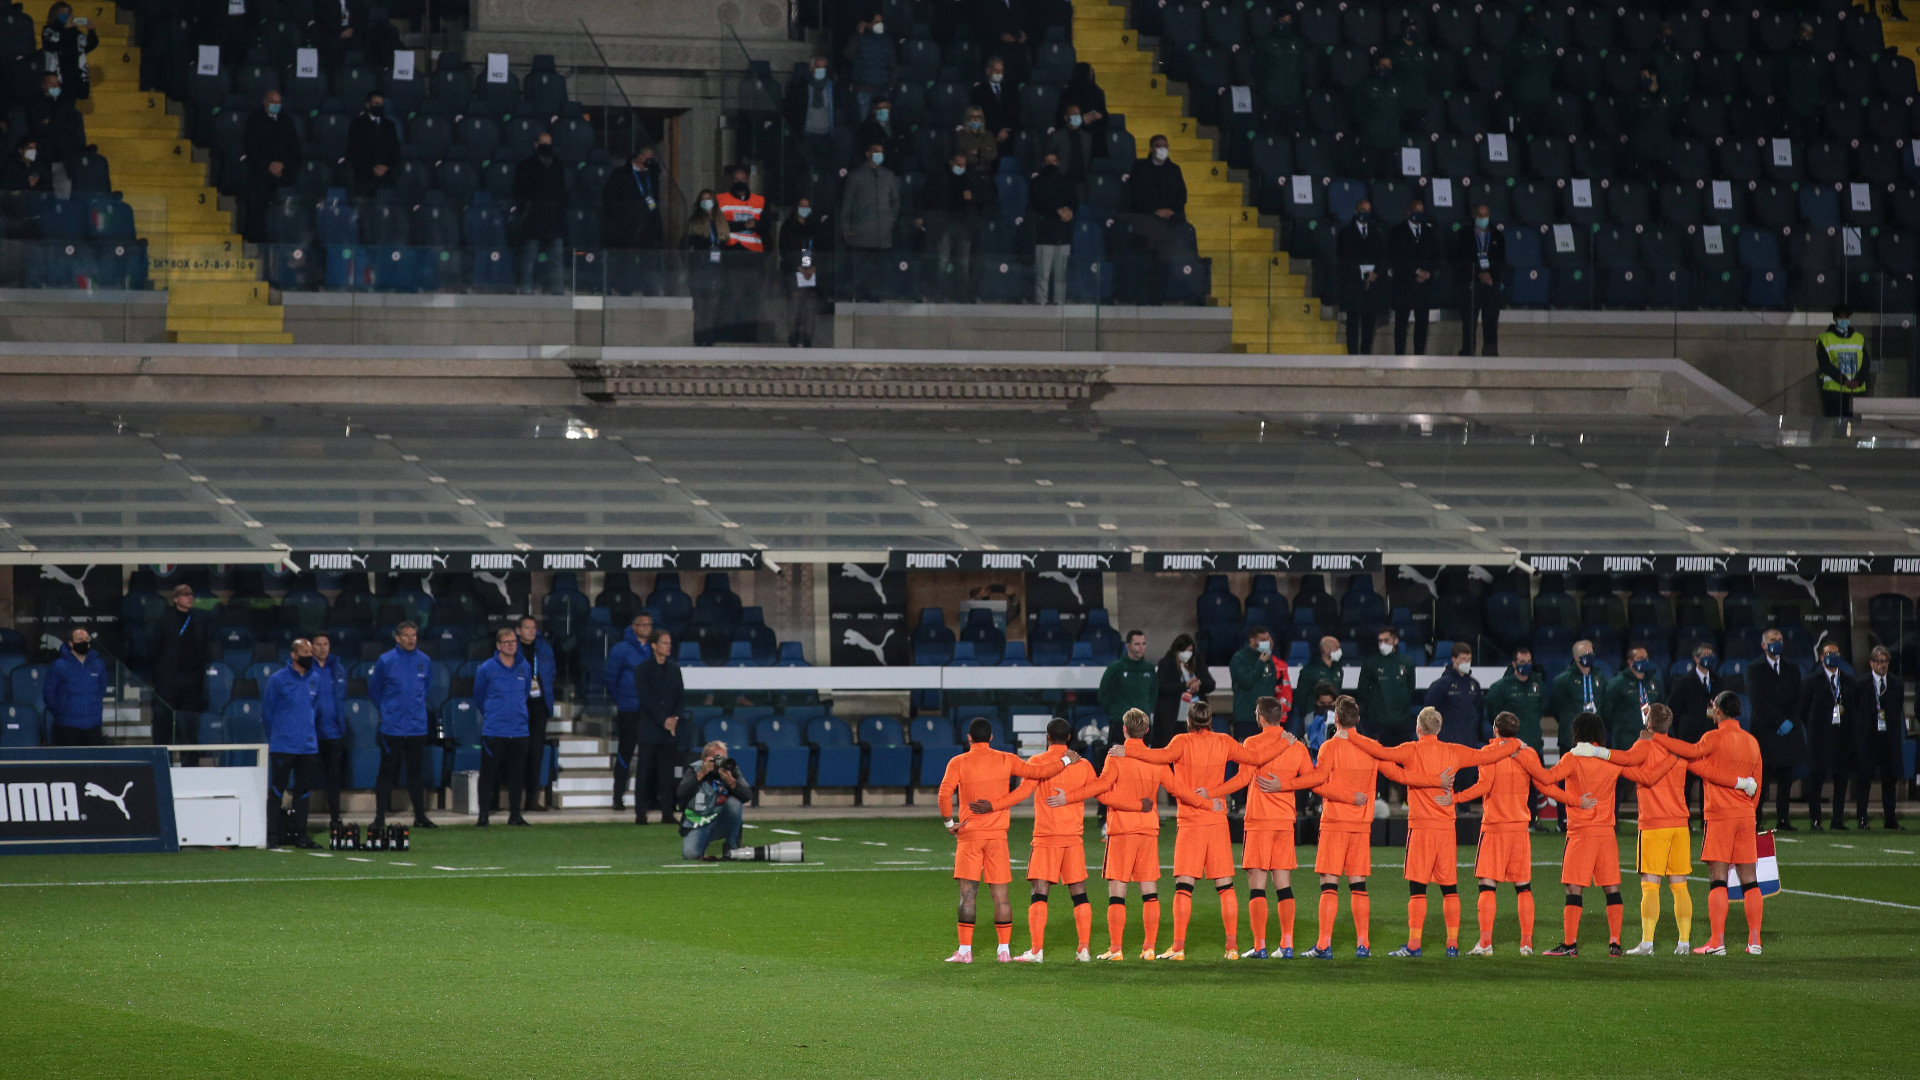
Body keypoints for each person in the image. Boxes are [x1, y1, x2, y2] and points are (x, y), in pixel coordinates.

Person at [1272, 696, 1456, 959]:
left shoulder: (1329, 748)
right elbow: (1400, 776)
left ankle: (1324, 945)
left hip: (1335, 823)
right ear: (1358, 720)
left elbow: (1317, 782)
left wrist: (1285, 784)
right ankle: (1363, 944)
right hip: (1361, 825)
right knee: (1358, 884)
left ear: (1336, 719)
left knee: (1329, 883)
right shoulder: (1371, 747)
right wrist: (1435, 780)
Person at [1110, 701, 1287, 960]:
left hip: (1190, 821)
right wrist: (1285, 742)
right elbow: (1255, 762)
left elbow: (1159, 757)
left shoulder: (1181, 742)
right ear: (1210, 720)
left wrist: (1129, 752)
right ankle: (1232, 947)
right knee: (1225, 887)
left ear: (1189, 721)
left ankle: (1178, 948)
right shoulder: (1224, 741)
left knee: (1184, 887)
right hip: (1216, 819)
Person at [1345, 707, 1523, 957]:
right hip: (1446, 831)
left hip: (1420, 829)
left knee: (1418, 890)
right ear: (1439, 729)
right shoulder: (1454, 751)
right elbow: (1489, 757)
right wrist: (1514, 741)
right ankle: (1452, 944)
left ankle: (1414, 945)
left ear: (1418, 728)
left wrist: (1351, 735)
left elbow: (1382, 753)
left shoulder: (1410, 750)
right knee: (1449, 889)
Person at [1053, 708, 1211, 960]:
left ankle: (1116, 949)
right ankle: (1149, 948)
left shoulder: (1116, 757)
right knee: (1150, 892)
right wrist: (1208, 803)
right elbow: (1178, 789)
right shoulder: (1155, 759)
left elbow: (1101, 791)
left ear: (1124, 729)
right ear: (1146, 731)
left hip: (1122, 830)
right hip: (1148, 830)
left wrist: (1067, 797)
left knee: (1118, 892)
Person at [1518, 712, 1665, 956]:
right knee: (1612, 889)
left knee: (1573, 890)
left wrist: (1524, 757)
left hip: (1580, 834)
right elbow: (1647, 777)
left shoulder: (1572, 758)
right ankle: (1615, 943)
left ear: (1577, 734)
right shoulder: (1611, 759)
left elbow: (1544, 781)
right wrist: (1670, 756)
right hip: (1606, 834)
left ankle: (1570, 944)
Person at [938, 716, 1073, 963]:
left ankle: (965, 951)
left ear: (969, 738)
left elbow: (944, 794)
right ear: (991, 737)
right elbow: (1039, 772)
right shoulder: (1005, 759)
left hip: (969, 836)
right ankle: (1004, 951)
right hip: (998, 837)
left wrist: (949, 823)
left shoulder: (958, 762)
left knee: (967, 896)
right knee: (1001, 897)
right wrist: (1066, 759)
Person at [1642, 693, 1766, 954]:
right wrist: (1749, 813)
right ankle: (1754, 940)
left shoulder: (1713, 737)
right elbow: (1758, 782)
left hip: (1720, 815)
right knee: (1750, 881)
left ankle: (1717, 942)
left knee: (1718, 880)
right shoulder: (1752, 742)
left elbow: (1690, 753)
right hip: (1745, 815)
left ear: (1718, 711)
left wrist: (1657, 736)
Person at [1214, 695, 1318, 957]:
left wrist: (1215, 793)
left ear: (1260, 718)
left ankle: (1260, 945)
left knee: (1257, 885)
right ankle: (1287, 944)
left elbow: (1243, 777)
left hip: (1259, 821)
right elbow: (1312, 780)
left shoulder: (1252, 743)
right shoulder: (1296, 745)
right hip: (1285, 821)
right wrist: (1285, 786)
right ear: (1281, 717)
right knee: (1283, 883)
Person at [988, 717, 1098, 962]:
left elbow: (1022, 793)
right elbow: (1099, 789)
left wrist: (994, 806)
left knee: (1039, 892)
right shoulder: (1083, 765)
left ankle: (1036, 950)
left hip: (1046, 836)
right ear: (1069, 737)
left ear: (1047, 737)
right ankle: (1084, 949)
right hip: (1073, 837)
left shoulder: (1037, 762)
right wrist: (1071, 797)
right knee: (1079, 892)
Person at [1448, 710, 1550, 955]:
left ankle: (1485, 944)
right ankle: (1526, 943)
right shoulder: (1528, 753)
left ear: (1495, 729)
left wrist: (1455, 798)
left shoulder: (1489, 753)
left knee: (1487, 885)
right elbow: (1543, 782)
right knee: (1523, 887)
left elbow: (1484, 786)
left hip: (1494, 827)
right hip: (1519, 828)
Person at [1621, 704, 1694, 956]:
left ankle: (1647, 943)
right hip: (1680, 825)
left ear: (1649, 724)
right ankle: (1684, 943)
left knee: (1650, 885)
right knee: (1680, 885)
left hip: (1654, 825)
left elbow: (1627, 765)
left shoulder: (1644, 746)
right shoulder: (1678, 750)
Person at [368, 621, 434, 830]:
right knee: (386, 771)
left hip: (417, 727)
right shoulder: (386, 661)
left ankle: (420, 816)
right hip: (392, 727)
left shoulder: (424, 660)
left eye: (414, 635)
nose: (411, 639)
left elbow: (426, 687)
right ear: (397, 638)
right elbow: (375, 690)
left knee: (416, 772)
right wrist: (387, 713)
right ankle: (379, 817)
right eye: (406, 635)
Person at [262, 640, 323, 849]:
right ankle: (272, 835)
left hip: (307, 746)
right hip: (283, 745)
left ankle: (301, 835)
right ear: (293, 655)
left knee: (303, 791)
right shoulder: (278, 680)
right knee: (277, 790)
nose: (309, 655)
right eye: (304, 652)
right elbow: (267, 713)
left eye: (311, 652)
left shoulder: (315, 679)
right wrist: (277, 737)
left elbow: (313, 710)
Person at [472, 628, 531, 828]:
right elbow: (478, 697)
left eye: (513, 641)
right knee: (488, 774)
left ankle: (515, 815)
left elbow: (525, 694)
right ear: (498, 645)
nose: (510, 645)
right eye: (505, 642)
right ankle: (483, 815)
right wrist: (493, 713)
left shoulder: (525, 667)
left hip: (519, 730)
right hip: (494, 730)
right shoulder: (486, 668)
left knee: (517, 775)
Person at [916, 150, 995, 301]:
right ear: (951, 162)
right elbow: (923, 195)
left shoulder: (971, 178)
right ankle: (939, 294)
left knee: (963, 264)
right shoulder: (939, 177)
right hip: (943, 225)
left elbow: (987, 197)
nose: (961, 166)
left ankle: (962, 295)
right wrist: (920, 215)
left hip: (965, 226)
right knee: (942, 261)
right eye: (958, 163)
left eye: (963, 164)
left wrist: (973, 197)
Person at [1747, 628, 1805, 832]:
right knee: (1760, 780)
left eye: (1780, 639)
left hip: (1788, 733)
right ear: (1763, 645)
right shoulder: (1754, 668)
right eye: (1773, 640)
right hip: (1766, 732)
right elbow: (1757, 700)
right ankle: (1755, 819)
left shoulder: (1793, 668)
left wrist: (1790, 721)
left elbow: (1799, 698)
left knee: (1786, 780)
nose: (1777, 643)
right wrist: (1779, 721)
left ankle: (1783, 819)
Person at [1799, 641, 1854, 831]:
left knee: (1841, 780)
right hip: (1819, 738)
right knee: (1817, 781)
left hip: (1842, 738)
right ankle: (1816, 819)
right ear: (1821, 657)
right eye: (1829, 653)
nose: (1833, 656)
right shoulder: (1811, 681)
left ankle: (1837, 819)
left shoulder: (1848, 680)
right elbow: (1804, 710)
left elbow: (1853, 709)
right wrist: (1813, 729)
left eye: (1836, 653)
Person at [632, 629, 685, 823]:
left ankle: (667, 812)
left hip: (669, 731)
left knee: (666, 774)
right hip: (650, 729)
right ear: (654, 645)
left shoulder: (674, 669)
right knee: (644, 772)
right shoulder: (642, 670)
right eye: (664, 643)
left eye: (669, 643)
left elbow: (680, 697)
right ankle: (640, 812)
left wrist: (675, 718)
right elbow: (645, 699)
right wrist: (664, 720)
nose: (668, 646)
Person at [604, 611, 655, 813]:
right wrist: (623, 700)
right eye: (642, 624)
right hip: (629, 710)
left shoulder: (654, 649)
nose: (646, 628)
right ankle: (618, 797)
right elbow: (611, 678)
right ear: (634, 627)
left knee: (648, 754)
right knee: (625, 752)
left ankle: (646, 798)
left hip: (650, 711)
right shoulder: (621, 649)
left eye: (649, 624)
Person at [148, 584, 211, 744]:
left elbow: (204, 648)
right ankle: (163, 758)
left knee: (189, 726)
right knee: (164, 723)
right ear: (176, 599)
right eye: (185, 594)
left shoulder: (200, 619)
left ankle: (189, 762)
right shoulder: (164, 620)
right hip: (168, 682)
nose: (190, 597)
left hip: (192, 681)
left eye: (191, 594)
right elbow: (154, 650)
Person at [1851, 646, 1904, 831]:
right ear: (1871, 663)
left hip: (1888, 739)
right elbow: (1856, 710)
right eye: (1880, 662)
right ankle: (1862, 819)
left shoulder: (1896, 684)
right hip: (1868, 739)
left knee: (1890, 780)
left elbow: (1897, 709)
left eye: (1886, 662)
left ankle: (1890, 820)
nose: (1883, 665)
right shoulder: (1861, 683)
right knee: (1864, 780)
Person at [838, 143, 899, 301]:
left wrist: (890, 220)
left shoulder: (888, 175)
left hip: (882, 234)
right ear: (867, 153)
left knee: (878, 271)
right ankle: (858, 298)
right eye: (875, 151)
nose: (879, 154)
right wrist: (845, 226)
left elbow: (895, 201)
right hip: (861, 233)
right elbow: (847, 203)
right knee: (859, 270)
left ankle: (875, 299)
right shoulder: (856, 175)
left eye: (881, 152)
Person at [240, 88, 301, 242]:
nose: (277, 105)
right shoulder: (254, 120)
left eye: (279, 102)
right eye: (273, 102)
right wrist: (268, 164)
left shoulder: (286, 121)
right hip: (261, 173)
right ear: (265, 102)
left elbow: (294, 148)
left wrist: (282, 165)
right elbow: (251, 147)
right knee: (259, 203)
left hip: (282, 172)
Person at [512, 131, 569, 294]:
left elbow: (561, 192)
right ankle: (525, 289)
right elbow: (518, 192)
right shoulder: (526, 166)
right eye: (543, 143)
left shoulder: (558, 166)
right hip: (533, 220)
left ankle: (556, 290)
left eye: (549, 143)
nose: (547, 147)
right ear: (536, 145)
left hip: (554, 220)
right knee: (529, 258)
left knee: (556, 259)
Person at [678, 740, 754, 859]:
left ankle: (731, 846)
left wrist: (731, 782)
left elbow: (747, 796)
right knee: (690, 854)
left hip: (720, 821)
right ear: (705, 758)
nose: (721, 762)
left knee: (734, 803)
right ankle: (703, 844)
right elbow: (681, 794)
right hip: (698, 823)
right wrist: (701, 773)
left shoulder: (730, 770)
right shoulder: (695, 769)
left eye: (723, 758)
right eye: (717, 758)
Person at [1126, 134, 1186, 275]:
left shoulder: (1174, 170)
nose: (1163, 149)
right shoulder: (1140, 167)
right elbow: (1136, 194)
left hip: (1169, 220)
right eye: (1159, 146)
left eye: (1165, 146)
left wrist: (1170, 210)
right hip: (1147, 219)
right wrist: (1154, 211)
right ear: (1152, 149)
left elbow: (1181, 194)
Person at [1389, 197, 1442, 354]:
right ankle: (1399, 356)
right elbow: (1397, 257)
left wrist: (1428, 272)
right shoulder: (1397, 232)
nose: (1418, 214)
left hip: (1424, 286)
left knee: (1422, 323)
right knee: (1401, 323)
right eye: (1415, 211)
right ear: (1408, 212)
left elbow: (1437, 256)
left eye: (1421, 211)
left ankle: (1419, 355)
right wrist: (1416, 271)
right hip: (1404, 284)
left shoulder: (1430, 232)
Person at [515, 615, 555, 810]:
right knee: (518, 752)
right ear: (518, 630)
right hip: (519, 706)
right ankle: (513, 799)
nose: (531, 631)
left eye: (533, 627)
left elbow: (551, 673)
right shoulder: (512, 648)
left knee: (536, 753)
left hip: (539, 705)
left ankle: (532, 798)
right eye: (527, 627)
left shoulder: (544, 647)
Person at [786, 55, 851, 173]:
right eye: (818, 66)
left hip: (826, 136)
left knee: (824, 170)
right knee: (805, 170)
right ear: (811, 69)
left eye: (824, 67)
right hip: (807, 136)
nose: (821, 69)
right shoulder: (801, 88)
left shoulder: (832, 89)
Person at [1453, 204, 1504, 356]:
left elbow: (1501, 260)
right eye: (1480, 215)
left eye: (1486, 215)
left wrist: (1491, 275)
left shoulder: (1497, 235)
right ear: (1475, 216)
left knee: (1491, 319)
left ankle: (1490, 350)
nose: (1483, 219)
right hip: (1471, 283)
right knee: (1469, 320)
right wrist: (1478, 275)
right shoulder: (1465, 234)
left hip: (1490, 284)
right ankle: (1468, 350)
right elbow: (1461, 258)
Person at [1248, 9, 1307, 135]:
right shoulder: (1266, 43)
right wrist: (1266, 86)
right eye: (1282, 20)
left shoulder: (1298, 43)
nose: (1285, 23)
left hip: (1292, 97)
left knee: (1289, 136)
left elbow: (1303, 68)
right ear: (1275, 22)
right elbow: (1256, 68)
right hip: (1271, 98)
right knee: (1270, 134)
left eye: (1288, 20)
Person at [683, 190, 730, 346]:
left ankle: (709, 337)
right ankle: (699, 337)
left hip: (716, 269)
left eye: (709, 199)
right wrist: (691, 262)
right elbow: (684, 246)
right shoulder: (694, 222)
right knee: (700, 305)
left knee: (713, 305)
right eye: (703, 199)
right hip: (699, 268)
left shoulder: (720, 222)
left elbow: (725, 246)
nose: (706, 202)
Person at [310, 631, 348, 827]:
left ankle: (335, 817)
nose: (323, 647)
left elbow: (341, 701)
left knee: (334, 778)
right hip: (311, 734)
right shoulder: (306, 669)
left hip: (333, 733)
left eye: (326, 644)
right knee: (305, 776)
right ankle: (301, 819)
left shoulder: (339, 669)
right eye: (318, 644)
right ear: (312, 647)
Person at [44, 627, 105, 745]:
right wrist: (62, 712)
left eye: (87, 639)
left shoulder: (98, 664)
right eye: (80, 639)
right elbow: (49, 695)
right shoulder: (58, 666)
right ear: (71, 644)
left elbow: (101, 690)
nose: (84, 642)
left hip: (93, 726)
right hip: (67, 726)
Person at [1151, 633, 1213, 748]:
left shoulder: (1197, 663)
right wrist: (1184, 685)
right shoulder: (1166, 663)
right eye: (1184, 650)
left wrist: (1200, 684)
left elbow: (1211, 684)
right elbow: (1163, 688)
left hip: (1195, 719)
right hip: (1174, 717)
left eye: (1190, 650)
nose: (1187, 654)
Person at [602, 146, 666, 257]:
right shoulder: (621, 174)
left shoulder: (652, 174)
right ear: (640, 157)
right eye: (649, 156)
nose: (652, 159)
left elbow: (654, 198)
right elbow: (609, 198)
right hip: (626, 227)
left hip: (648, 226)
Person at [1097, 629, 1158, 745]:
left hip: (1143, 725)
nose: (1141, 647)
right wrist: (1116, 712)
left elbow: (1154, 693)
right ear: (1128, 646)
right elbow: (1103, 694)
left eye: (1143, 644)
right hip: (1120, 724)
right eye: (1137, 644)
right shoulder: (1115, 668)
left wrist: (1146, 710)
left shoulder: (1149, 669)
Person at [1029, 150, 1074, 305]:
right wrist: (1057, 210)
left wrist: (1070, 211)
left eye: (1053, 161)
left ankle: (1059, 303)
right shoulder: (1037, 182)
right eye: (1048, 162)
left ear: (1058, 163)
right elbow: (1038, 202)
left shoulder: (1066, 181)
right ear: (1043, 164)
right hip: (1045, 234)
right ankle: (1041, 302)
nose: (1051, 165)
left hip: (1063, 234)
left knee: (1061, 276)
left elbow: (1074, 199)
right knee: (1043, 274)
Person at [1547, 641, 1604, 762]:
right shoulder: (1563, 680)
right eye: (1584, 653)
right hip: (1570, 738)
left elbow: (1604, 704)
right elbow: (1556, 707)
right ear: (1575, 657)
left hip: (1595, 739)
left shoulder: (1599, 677)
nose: (1588, 655)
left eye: (1590, 653)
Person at [1358, 625, 1415, 744]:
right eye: (1380, 641)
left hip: (1402, 720)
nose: (1382, 644)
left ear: (1396, 641)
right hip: (1379, 722)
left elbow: (1410, 687)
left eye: (1386, 640)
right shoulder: (1371, 662)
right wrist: (1373, 709)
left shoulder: (1407, 661)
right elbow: (1362, 690)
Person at [1230, 625, 1288, 740]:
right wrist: (1260, 663)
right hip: (1246, 717)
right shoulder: (1239, 659)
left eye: (1267, 639)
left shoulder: (1268, 659)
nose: (1266, 642)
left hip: (1267, 720)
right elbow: (1246, 682)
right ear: (1252, 640)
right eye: (1263, 640)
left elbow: (1272, 684)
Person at [1482, 647, 1543, 753]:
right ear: (1514, 664)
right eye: (1522, 662)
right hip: (1510, 747)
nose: (1526, 665)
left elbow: (1541, 709)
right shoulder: (1500, 687)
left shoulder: (1538, 684)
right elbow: (1492, 714)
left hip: (1534, 746)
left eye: (1529, 662)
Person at [780, 197, 823, 347]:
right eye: (801, 205)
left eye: (807, 206)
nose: (804, 208)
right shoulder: (788, 226)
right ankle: (794, 336)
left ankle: (807, 338)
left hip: (812, 272)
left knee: (809, 306)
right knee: (795, 305)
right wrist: (799, 267)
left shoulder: (815, 227)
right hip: (794, 271)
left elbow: (823, 250)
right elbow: (784, 250)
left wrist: (814, 267)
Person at [1603, 646, 1664, 751]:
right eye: (1640, 658)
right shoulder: (1617, 684)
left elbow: (1662, 707)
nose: (1644, 661)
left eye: (1646, 658)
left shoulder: (1655, 683)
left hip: (1651, 741)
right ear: (1630, 662)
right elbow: (1606, 712)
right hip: (1625, 742)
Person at [1348, 57, 1400, 179]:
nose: (1386, 68)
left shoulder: (1398, 85)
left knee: (1388, 178)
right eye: (1383, 65)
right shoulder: (1366, 85)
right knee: (1368, 175)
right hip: (1371, 139)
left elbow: (1401, 108)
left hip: (1390, 140)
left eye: (1389, 65)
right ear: (1376, 67)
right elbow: (1358, 110)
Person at [1422, 642, 1483, 744]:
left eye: (1469, 659)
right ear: (1454, 659)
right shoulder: (1441, 684)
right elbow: (1429, 712)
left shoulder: (1474, 684)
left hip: (1469, 741)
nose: (1467, 662)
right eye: (1463, 659)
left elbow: (1478, 710)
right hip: (1448, 740)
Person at [1816, 304, 1868, 419]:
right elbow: (1825, 364)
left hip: (1855, 390)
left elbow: (1865, 363)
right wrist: (1844, 381)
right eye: (1841, 317)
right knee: (1834, 424)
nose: (1844, 320)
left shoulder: (1859, 338)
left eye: (1847, 317)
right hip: (1834, 391)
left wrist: (1858, 380)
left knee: (1852, 427)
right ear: (1835, 319)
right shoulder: (1825, 338)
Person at [1623, 66, 1673, 185]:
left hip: (1661, 151)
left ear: (1654, 76)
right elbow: (1629, 120)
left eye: (1645, 76)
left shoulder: (1666, 97)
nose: (1643, 79)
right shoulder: (1636, 98)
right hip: (1643, 151)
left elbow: (1671, 119)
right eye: (1642, 77)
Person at [26, 72, 84, 173]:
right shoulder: (35, 104)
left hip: (64, 158)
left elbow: (72, 125)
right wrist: (59, 123)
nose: (55, 86)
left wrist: (51, 121)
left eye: (57, 84)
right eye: (51, 84)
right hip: (44, 157)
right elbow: (37, 128)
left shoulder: (66, 103)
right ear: (43, 85)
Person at [842, 13, 895, 121]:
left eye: (881, 22)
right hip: (864, 90)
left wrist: (891, 85)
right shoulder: (861, 38)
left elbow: (893, 66)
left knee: (882, 125)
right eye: (876, 22)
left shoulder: (888, 41)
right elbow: (848, 54)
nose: (879, 24)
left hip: (882, 90)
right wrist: (858, 34)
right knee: (865, 124)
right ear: (869, 24)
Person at [345, 91, 400, 195]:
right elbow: (353, 151)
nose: (379, 106)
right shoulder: (357, 124)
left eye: (381, 103)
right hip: (363, 178)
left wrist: (386, 167)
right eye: (376, 103)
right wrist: (371, 168)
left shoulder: (389, 125)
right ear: (367, 105)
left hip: (386, 178)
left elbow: (395, 150)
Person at [40, 3, 98, 102]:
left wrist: (91, 31)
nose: (68, 16)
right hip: (55, 81)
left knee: (69, 110)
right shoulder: (49, 31)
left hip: (73, 80)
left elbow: (89, 44)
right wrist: (63, 27)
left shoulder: (75, 33)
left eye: (69, 13)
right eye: (63, 13)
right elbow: (52, 44)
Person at [968, 56, 1020, 146]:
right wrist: (996, 133)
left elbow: (1015, 114)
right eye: (996, 71)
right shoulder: (978, 92)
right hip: (986, 140)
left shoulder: (1011, 91)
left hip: (1008, 140)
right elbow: (977, 117)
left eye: (1001, 71)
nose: (999, 74)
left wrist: (1007, 133)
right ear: (988, 71)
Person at [1044, 107, 1094, 195]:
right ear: (1066, 117)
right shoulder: (1057, 136)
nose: (1077, 117)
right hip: (1062, 181)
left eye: (1078, 114)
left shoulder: (1087, 137)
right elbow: (1047, 155)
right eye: (1074, 114)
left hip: (1081, 182)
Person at [1295, 636, 1345, 712]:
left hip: (1334, 714)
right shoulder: (1309, 670)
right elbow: (1301, 697)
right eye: (1336, 647)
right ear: (1326, 649)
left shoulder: (1338, 668)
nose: (1339, 651)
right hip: (1313, 714)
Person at [854, 98, 907, 168]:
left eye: (886, 108)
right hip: (878, 170)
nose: (884, 111)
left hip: (899, 167)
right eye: (881, 108)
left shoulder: (898, 125)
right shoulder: (866, 128)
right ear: (874, 110)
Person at [952, 105, 999, 175]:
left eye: (978, 117)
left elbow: (993, 154)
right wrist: (983, 151)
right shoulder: (962, 135)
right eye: (973, 117)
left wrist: (977, 152)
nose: (976, 119)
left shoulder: (988, 135)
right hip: (968, 174)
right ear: (968, 118)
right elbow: (962, 158)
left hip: (986, 174)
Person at [1296, 682, 1339, 750]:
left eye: (1330, 703)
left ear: (1335, 702)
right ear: (1316, 702)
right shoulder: (1308, 720)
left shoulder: (1343, 720)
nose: (1326, 707)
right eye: (1322, 703)